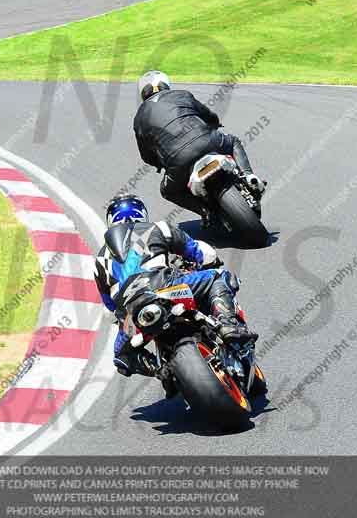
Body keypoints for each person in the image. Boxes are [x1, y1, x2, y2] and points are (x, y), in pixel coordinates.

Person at [94, 195, 258, 381]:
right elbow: (199, 252)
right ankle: (228, 324)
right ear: (141, 214)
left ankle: (160, 370)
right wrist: (208, 262)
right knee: (218, 277)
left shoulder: (100, 260)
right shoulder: (157, 227)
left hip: (131, 315)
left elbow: (109, 305)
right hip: (165, 287)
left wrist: (123, 318)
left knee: (122, 356)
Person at [133, 71, 266, 226]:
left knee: (167, 191)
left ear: (143, 93)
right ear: (166, 85)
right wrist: (215, 123)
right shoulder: (182, 95)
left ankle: (205, 212)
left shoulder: (139, 119)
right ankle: (248, 177)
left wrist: (158, 164)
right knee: (234, 141)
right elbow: (208, 115)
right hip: (209, 141)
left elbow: (146, 156)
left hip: (178, 160)